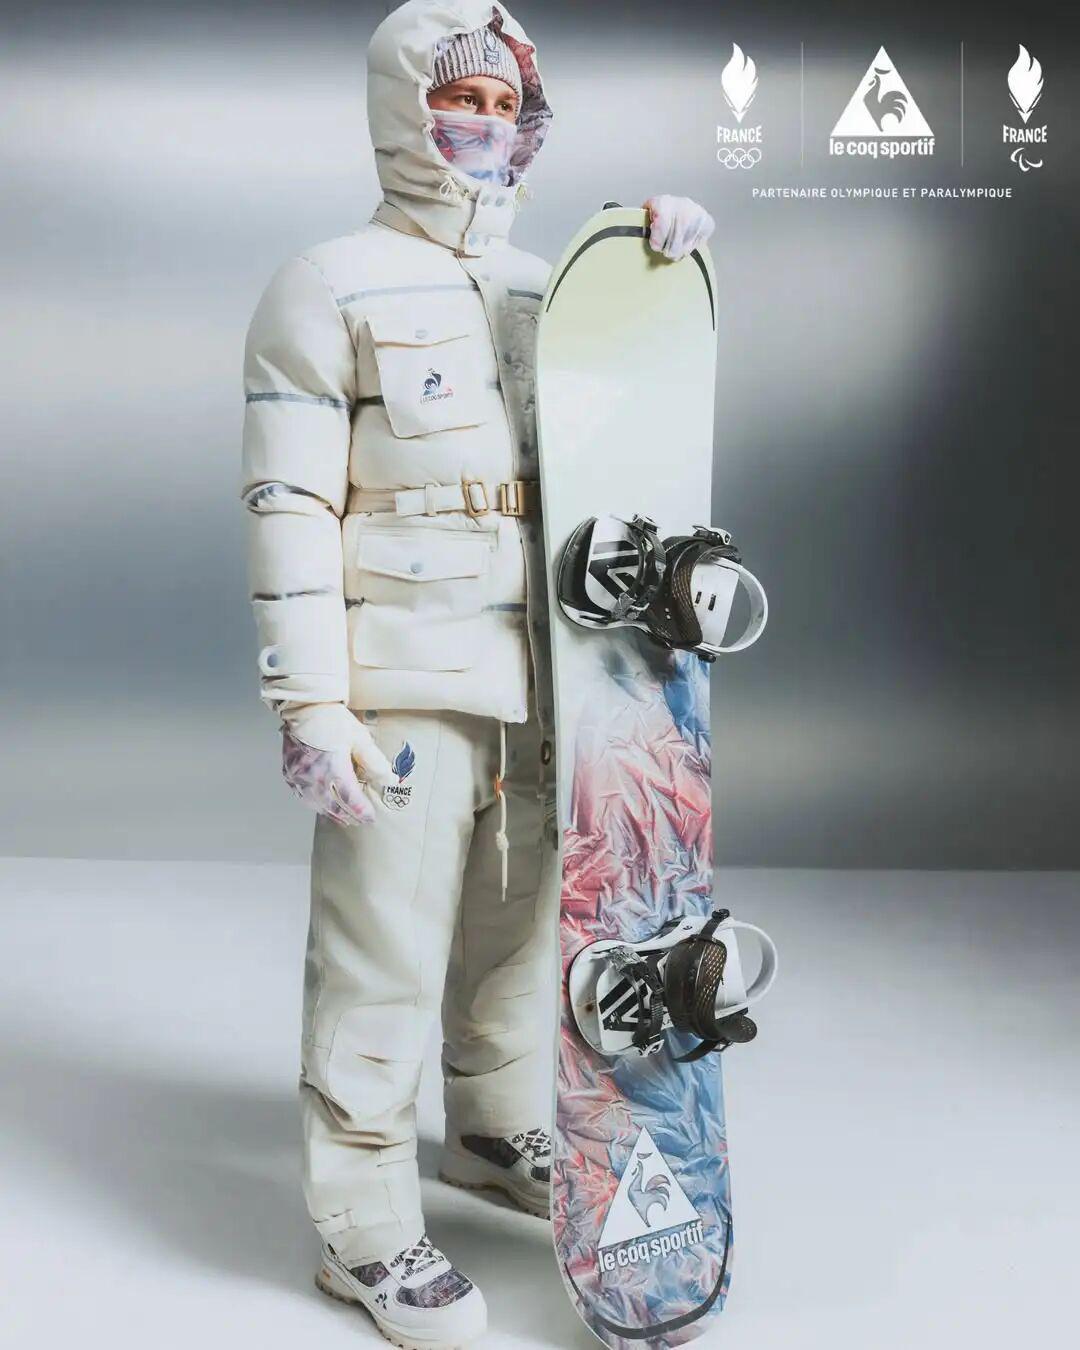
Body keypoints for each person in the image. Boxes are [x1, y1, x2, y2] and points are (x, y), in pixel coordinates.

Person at [240, 2, 715, 1345]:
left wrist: (643, 270)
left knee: (518, 928)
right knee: (382, 951)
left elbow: (620, 440)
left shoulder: (539, 286)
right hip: (403, 676)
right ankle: (363, 1223)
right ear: (405, 105)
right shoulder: (327, 283)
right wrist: (309, 701)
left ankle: (495, 1127)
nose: (486, 125)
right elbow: (288, 503)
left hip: (547, 672)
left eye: (508, 106)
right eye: (461, 98)